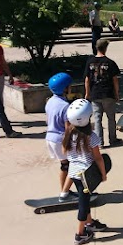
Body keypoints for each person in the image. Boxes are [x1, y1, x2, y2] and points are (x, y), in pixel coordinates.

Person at [62, 99, 110, 245]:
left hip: (74, 174)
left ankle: (90, 223)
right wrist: (103, 174)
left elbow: (65, 152)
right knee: (83, 203)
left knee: (86, 199)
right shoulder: (91, 137)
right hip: (85, 175)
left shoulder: (69, 132)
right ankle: (80, 234)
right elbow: (98, 158)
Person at [84, 39, 122, 148]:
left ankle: (99, 142)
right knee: (111, 118)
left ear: (96, 47)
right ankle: (113, 139)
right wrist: (117, 94)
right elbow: (115, 80)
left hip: (95, 94)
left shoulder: (90, 62)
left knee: (97, 118)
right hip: (108, 93)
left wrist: (87, 93)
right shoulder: (110, 62)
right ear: (106, 48)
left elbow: (87, 79)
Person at [45, 72, 77, 202]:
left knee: (65, 165)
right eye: (69, 86)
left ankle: (65, 190)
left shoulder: (50, 101)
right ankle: (64, 193)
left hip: (50, 138)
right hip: (60, 139)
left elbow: (48, 120)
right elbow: (68, 128)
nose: (70, 88)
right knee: (75, 165)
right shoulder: (65, 106)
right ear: (64, 88)